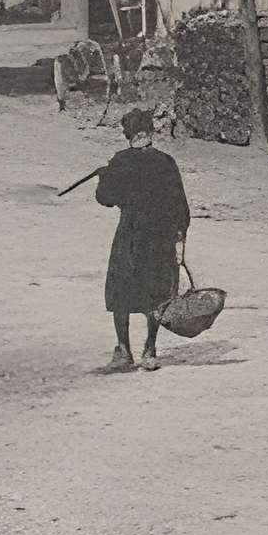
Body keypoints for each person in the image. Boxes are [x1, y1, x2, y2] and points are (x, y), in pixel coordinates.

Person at [94, 108, 190, 373]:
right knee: (155, 292)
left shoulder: (120, 161)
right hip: (160, 235)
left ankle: (124, 350)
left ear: (128, 134)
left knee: (121, 289)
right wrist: (179, 238)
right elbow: (179, 205)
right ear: (151, 132)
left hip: (131, 233)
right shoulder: (166, 162)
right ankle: (150, 350)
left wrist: (105, 177)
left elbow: (106, 198)